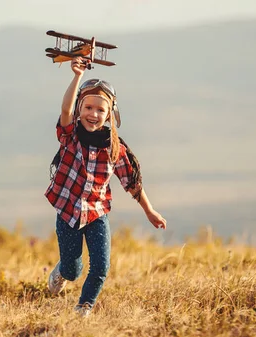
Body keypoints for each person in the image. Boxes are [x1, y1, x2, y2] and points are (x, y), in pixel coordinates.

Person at [45, 57, 167, 317]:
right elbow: (65, 112)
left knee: (101, 266)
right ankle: (62, 272)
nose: (93, 114)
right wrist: (77, 76)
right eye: (88, 107)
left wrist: (149, 210)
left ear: (110, 113)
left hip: (97, 213)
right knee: (73, 269)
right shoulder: (71, 136)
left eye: (101, 110)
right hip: (68, 212)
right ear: (80, 108)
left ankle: (83, 309)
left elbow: (131, 182)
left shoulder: (115, 147)